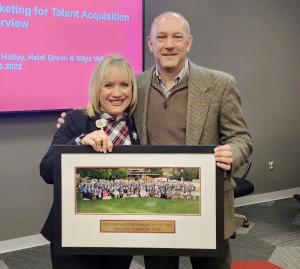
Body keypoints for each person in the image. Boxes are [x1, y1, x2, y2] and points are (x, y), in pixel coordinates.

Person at [57, 11, 253, 269]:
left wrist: (233, 153)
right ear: (150, 44)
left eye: (177, 37)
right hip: (156, 209)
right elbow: (108, 108)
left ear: (189, 42)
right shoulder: (134, 85)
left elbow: (241, 138)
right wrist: (71, 122)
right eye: (161, 37)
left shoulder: (220, 84)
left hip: (207, 208)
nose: (169, 44)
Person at [40, 55, 139, 269]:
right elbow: (46, 171)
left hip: (119, 234)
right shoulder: (76, 119)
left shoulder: (137, 124)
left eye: (124, 85)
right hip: (75, 236)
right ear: (97, 89)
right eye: (108, 85)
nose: (117, 93)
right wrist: (80, 142)